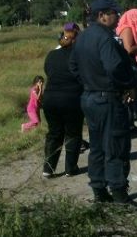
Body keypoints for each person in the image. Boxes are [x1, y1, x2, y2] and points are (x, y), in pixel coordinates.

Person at [70, 0, 137, 205]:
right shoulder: (105, 38)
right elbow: (114, 67)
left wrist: (90, 82)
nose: (118, 18)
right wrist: (127, 85)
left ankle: (99, 192)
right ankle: (119, 195)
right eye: (114, 13)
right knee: (115, 146)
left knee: (97, 147)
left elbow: (73, 66)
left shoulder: (81, 37)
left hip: (89, 98)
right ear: (102, 16)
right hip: (107, 99)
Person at [42, 25, 84, 177]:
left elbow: (48, 72)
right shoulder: (80, 55)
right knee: (73, 133)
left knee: (54, 133)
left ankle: (48, 169)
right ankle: (70, 168)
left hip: (50, 99)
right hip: (72, 99)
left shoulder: (52, 54)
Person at [116, 8, 137, 135]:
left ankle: (131, 124)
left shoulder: (136, 28)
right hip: (130, 67)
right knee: (136, 95)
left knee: (135, 96)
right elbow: (129, 49)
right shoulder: (127, 29)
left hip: (136, 65)